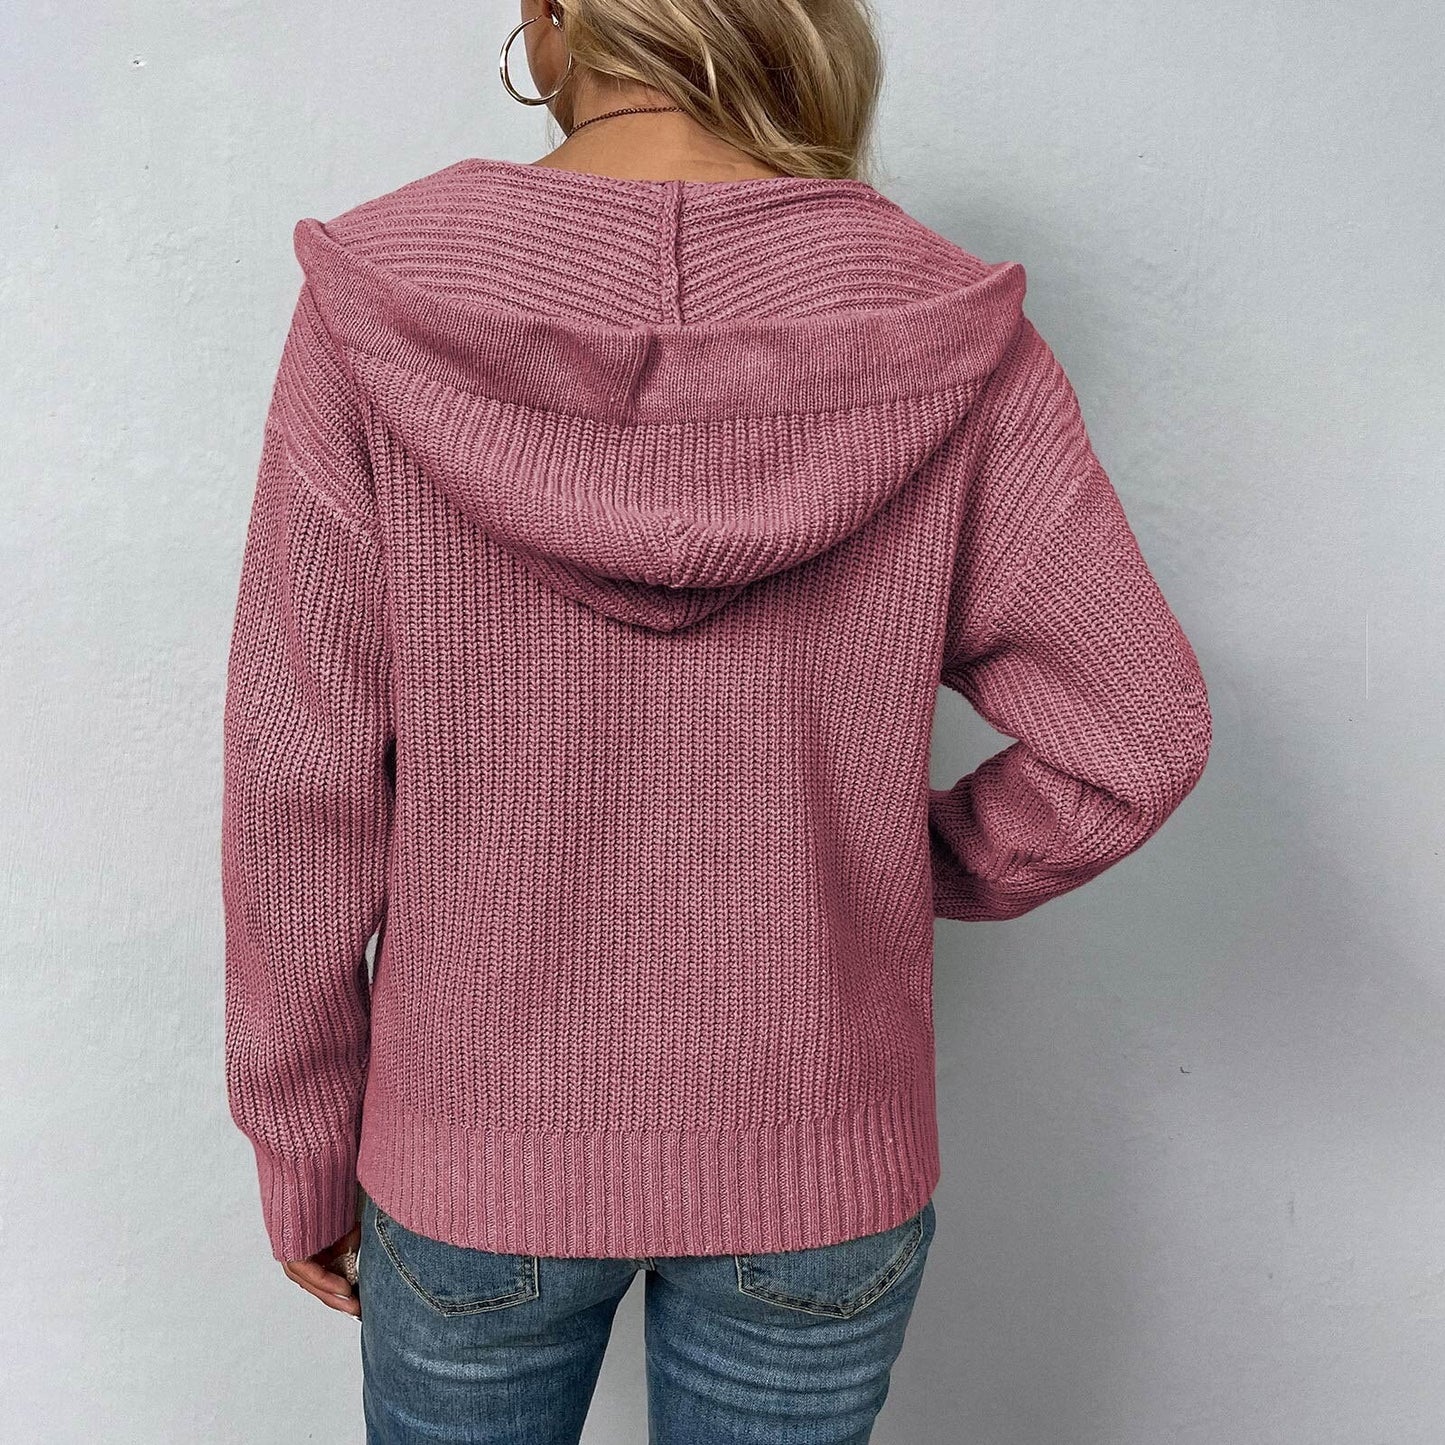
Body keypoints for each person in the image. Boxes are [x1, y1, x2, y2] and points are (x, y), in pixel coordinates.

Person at [219, 1, 1213, 1439]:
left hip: (470, 1153)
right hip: (819, 1158)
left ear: (555, 18)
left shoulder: (383, 304)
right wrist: (893, 863)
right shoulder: (936, 322)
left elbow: (296, 778)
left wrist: (303, 1136)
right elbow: (1135, 732)